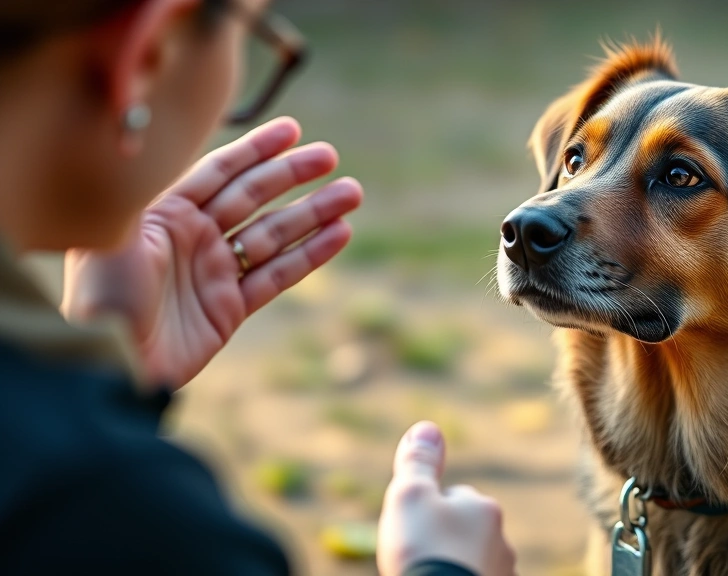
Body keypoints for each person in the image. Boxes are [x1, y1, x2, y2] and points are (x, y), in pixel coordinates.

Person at [0, 0, 516, 575]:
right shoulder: (126, 517)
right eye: (250, 33)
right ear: (146, 57)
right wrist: (446, 569)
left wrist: (103, 387)